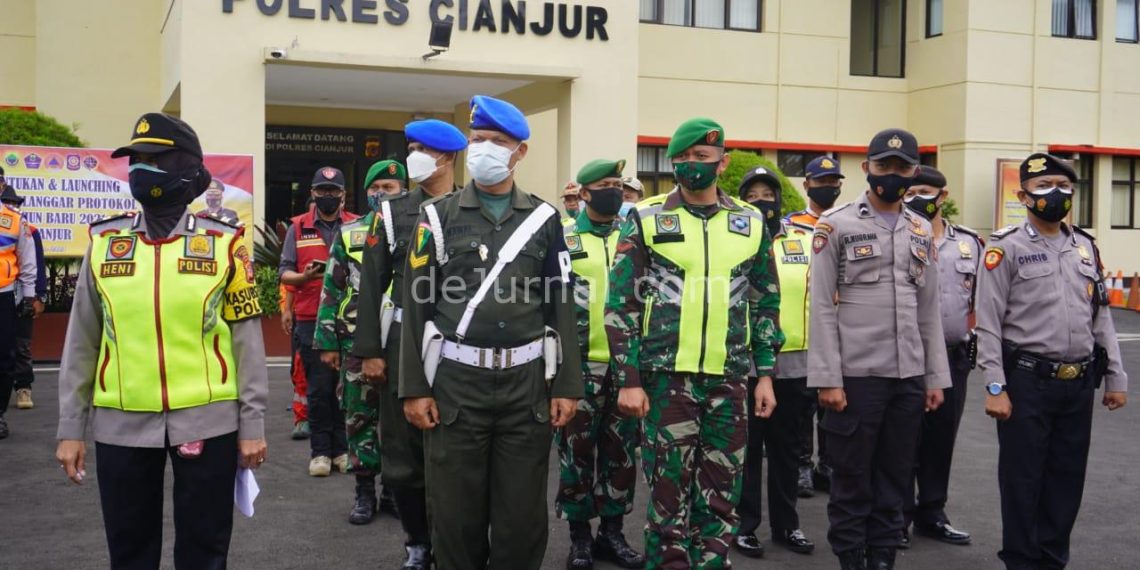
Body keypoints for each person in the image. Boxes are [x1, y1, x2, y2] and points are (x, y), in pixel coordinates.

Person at [54, 112, 268, 568]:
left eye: (155, 159)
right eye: (135, 159)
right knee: (129, 550)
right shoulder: (105, 243)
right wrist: (71, 429)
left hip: (208, 424)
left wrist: (253, 426)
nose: (140, 170)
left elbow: (247, 343)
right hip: (121, 424)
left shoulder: (225, 245)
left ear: (189, 170)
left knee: (204, 549)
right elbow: (81, 344)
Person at [398, 96, 582, 569]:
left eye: (498, 142)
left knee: (521, 520)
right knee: (455, 518)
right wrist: (414, 388)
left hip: (526, 388)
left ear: (520, 152)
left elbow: (561, 304)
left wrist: (567, 385)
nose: (485, 150)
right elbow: (415, 306)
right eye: (478, 140)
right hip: (456, 385)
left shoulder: (545, 220)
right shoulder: (437, 216)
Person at [607, 117, 781, 568]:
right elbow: (620, 305)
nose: (691, 166)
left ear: (721, 163)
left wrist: (765, 375)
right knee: (667, 500)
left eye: (701, 158)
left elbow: (765, 304)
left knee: (722, 499)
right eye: (681, 159)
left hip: (730, 381)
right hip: (667, 383)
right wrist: (629, 379)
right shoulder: (646, 218)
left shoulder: (750, 223)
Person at [975, 153, 1128, 570]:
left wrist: (1116, 374)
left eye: (1063, 186)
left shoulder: (1084, 246)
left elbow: (1101, 315)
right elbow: (988, 323)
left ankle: (1052, 561)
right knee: (1023, 481)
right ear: (1023, 194)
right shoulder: (1005, 248)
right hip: (1027, 382)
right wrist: (995, 386)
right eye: (1044, 187)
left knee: (1066, 482)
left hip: (1078, 382)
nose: (1055, 194)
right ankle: (1021, 562)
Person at [807, 128, 950, 570]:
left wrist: (935, 377)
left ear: (913, 172)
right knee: (851, 479)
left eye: (902, 168)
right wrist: (828, 378)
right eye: (884, 166)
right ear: (866, 168)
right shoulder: (837, 224)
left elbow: (929, 309)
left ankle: (884, 557)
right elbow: (821, 308)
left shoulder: (919, 227)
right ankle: (851, 558)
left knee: (896, 477)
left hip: (907, 377)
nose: (893, 175)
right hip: (855, 377)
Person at [354, 119, 466, 569]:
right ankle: (417, 541)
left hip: (460, 349)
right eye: (411, 147)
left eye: (423, 149)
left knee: (459, 453)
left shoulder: (473, 208)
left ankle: (454, 542)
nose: (412, 156)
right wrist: (371, 352)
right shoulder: (391, 213)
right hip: (404, 344)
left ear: (449, 157)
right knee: (402, 456)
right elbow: (370, 286)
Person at [557, 159, 645, 570]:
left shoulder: (636, 236)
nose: (614, 191)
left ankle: (612, 532)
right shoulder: (564, 237)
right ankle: (579, 537)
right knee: (576, 454)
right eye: (605, 185)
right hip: (580, 365)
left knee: (622, 453)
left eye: (618, 184)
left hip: (627, 367)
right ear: (585, 194)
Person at [315, 160, 406, 525]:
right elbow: (331, 289)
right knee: (359, 418)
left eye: (390, 187)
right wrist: (326, 341)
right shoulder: (351, 233)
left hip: (403, 342)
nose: (381, 193)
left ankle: (394, 492)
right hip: (356, 342)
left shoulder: (419, 231)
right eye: (375, 188)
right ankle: (364, 491)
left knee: (399, 422)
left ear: (404, 191)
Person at [734, 166, 817, 558]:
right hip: (744, 364)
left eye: (768, 194)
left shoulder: (803, 240)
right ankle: (744, 526)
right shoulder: (736, 240)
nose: (761, 201)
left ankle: (787, 526)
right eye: (753, 195)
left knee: (787, 451)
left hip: (795, 365)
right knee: (747, 452)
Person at [900, 166, 977, 547]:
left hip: (953, 356)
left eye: (925, 190)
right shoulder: (898, 235)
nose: (917, 196)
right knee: (903, 438)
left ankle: (932, 512)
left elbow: (980, 299)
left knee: (941, 438)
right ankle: (896, 517)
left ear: (943, 196)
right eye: (911, 189)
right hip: (906, 355)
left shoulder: (969, 244)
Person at [279, 166, 359, 476]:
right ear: (312, 193)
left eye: (333, 192)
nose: (327, 197)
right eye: (322, 191)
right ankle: (321, 453)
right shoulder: (297, 228)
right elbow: (284, 271)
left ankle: (342, 449)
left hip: (348, 316)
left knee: (345, 387)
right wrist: (304, 276)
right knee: (318, 387)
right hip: (311, 316)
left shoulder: (357, 225)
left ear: (343, 195)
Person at [787, 155, 846, 496]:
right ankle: (801, 466)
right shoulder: (792, 225)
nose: (828, 188)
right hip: (803, 328)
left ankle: (829, 464)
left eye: (833, 182)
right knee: (801, 407)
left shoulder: (846, 222)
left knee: (833, 404)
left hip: (840, 331)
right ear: (806, 184)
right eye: (821, 182)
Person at [0, 182, 46, 412]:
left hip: (12, 294)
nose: (10, 205)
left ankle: (20, 391)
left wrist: (35, 296)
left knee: (15, 350)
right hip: (7, 293)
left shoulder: (22, 225)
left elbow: (33, 263)